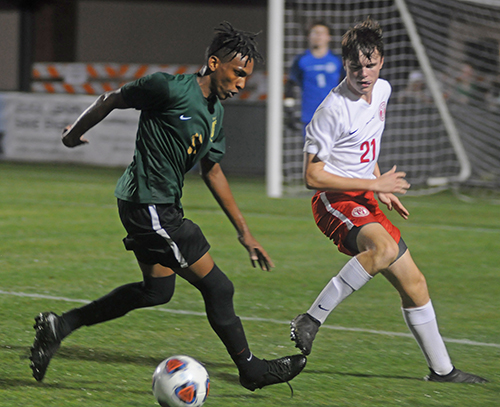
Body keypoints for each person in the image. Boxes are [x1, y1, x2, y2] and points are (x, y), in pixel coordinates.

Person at [30, 21, 306, 391]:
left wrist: (246, 233)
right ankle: (251, 371)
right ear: (213, 63)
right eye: (238, 73)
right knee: (219, 289)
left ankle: (59, 325)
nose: (241, 83)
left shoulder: (214, 114)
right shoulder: (167, 87)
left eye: (247, 78)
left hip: (153, 207)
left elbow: (213, 171)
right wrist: (74, 135)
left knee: (157, 292)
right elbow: (110, 99)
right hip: (150, 205)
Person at [289, 17, 487, 384]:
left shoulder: (383, 90)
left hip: (364, 195)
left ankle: (442, 371)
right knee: (381, 249)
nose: (364, 73)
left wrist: (377, 186)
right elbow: (311, 177)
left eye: (370, 64)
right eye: (355, 67)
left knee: (415, 284)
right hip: (333, 200)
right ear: (343, 65)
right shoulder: (332, 110)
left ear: (381, 62)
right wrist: (372, 182)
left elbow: (366, 148)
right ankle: (311, 318)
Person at [285, 21, 344, 134]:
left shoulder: (337, 60)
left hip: (335, 116)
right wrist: (289, 110)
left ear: (328, 37)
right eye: (315, 33)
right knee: (312, 151)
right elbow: (290, 86)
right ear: (308, 36)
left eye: (322, 33)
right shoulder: (301, 60)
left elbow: (348, 86)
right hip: (310, 116)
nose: (318, 36)